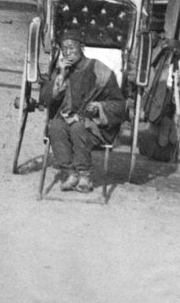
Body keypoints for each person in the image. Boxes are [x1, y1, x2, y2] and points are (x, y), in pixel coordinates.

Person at [39, 28, 126, 193]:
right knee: (56, 126)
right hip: (68, 121)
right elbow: (45, 98)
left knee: (78, 127)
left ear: (82, 47)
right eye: (64, 49)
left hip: (95, 126)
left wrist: (99, 107)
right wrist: (61, 76)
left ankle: (84, 176)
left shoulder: (100, 71)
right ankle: (71, 173)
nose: (68, 52)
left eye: (72, 48)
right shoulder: (61, 70)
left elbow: (119, 105)